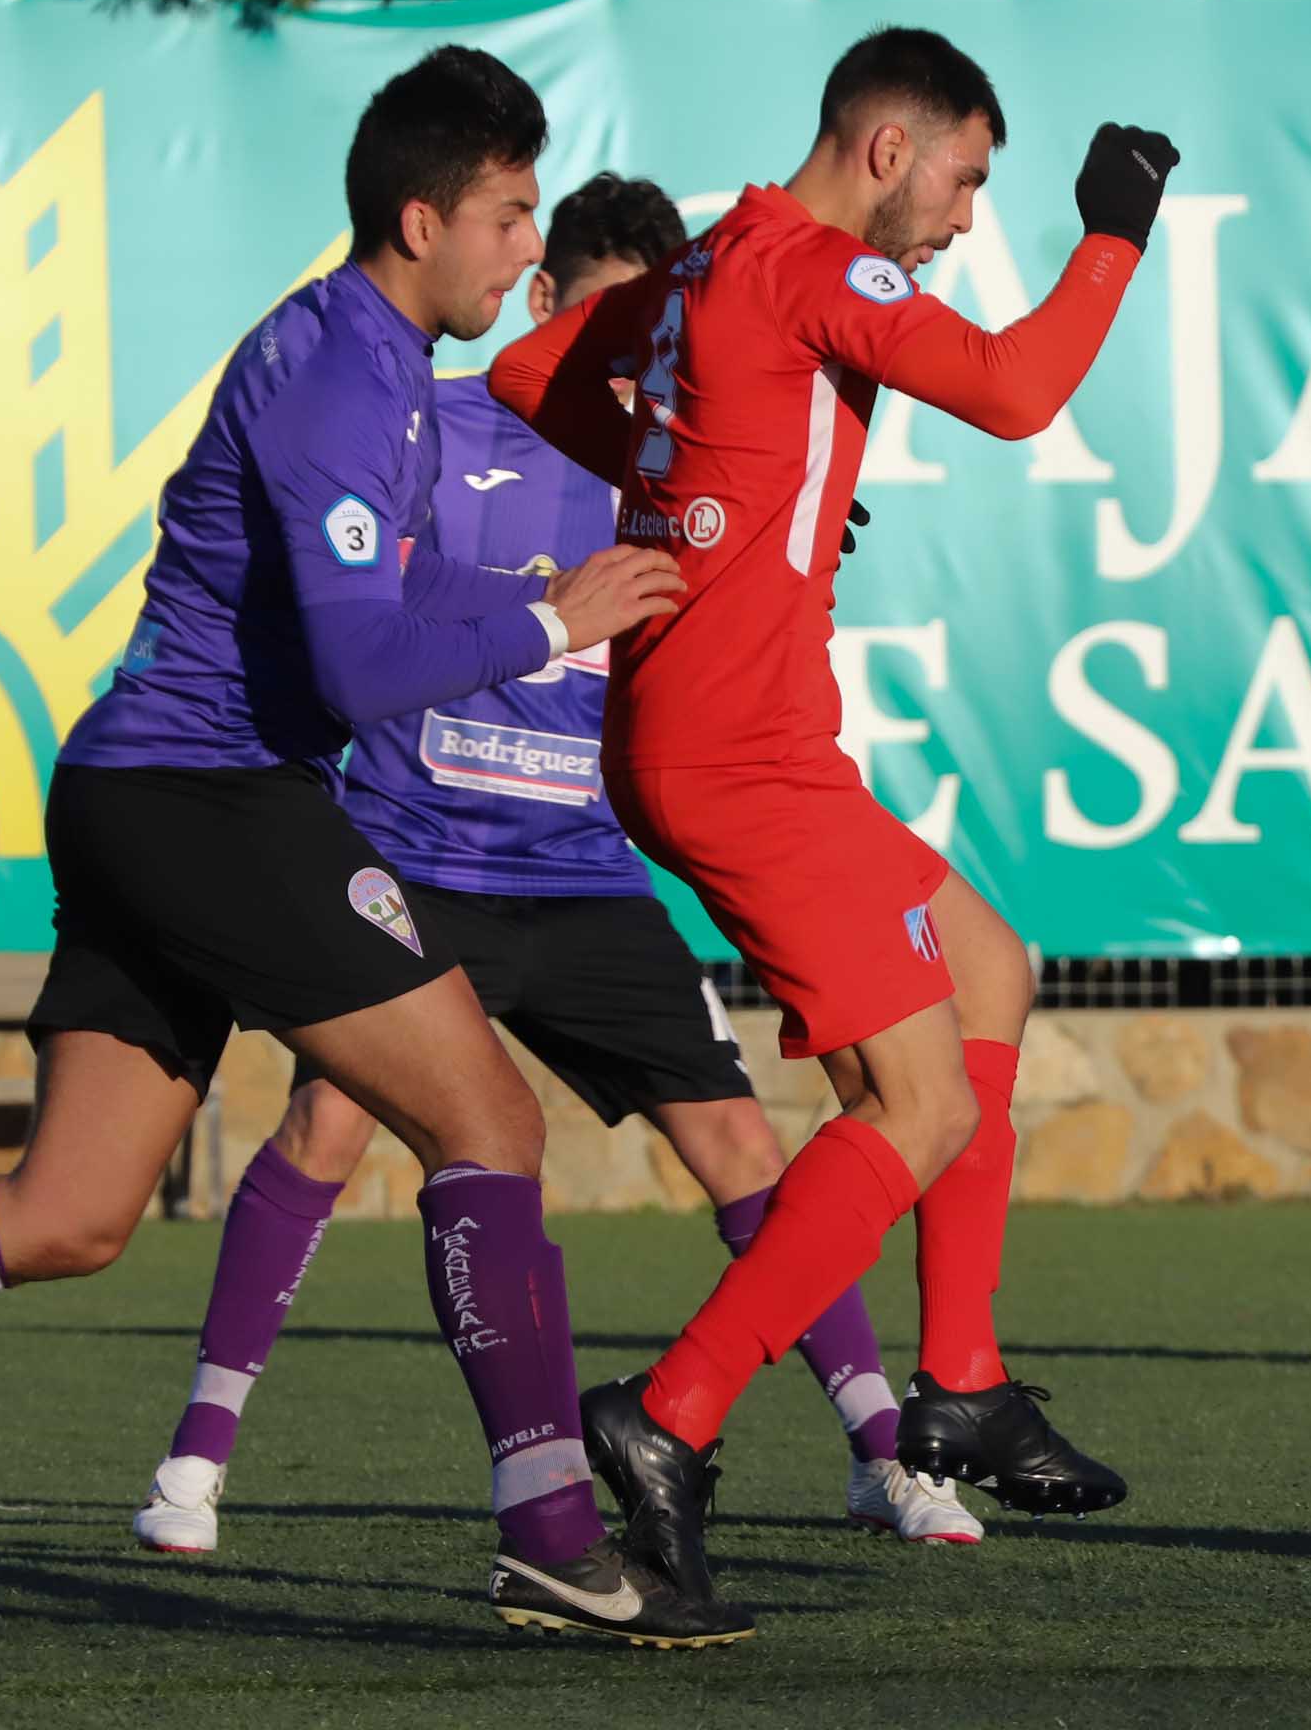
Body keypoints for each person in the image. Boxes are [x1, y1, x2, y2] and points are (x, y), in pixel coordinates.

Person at [0, 48, 747, 1649]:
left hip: (148, 795)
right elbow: (353, 671)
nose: (532, 250)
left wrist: (586, 592)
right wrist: (550, 615)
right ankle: (548, 1535)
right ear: (419, 218)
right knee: (490, 1119)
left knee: (70, 1214)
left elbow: (390, 614)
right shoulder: (341, 374)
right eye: (513, 214)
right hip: (208, 799)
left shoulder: (378, 364)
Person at [129, 172, 980, 1558]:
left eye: (656, 341)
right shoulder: (437, 429)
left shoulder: (700, 462)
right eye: (602, 325)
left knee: (742, 1145)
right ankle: (195, 1459)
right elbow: (361, 592)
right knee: (325, 1134)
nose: (636, 367)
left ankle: (886, 1452)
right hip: (420, 864)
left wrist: (790, 532)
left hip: (586, 876)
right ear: (544, 305)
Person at [490, 25, 1176, 1609]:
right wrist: (1113, 234)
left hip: (718, 736)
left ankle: (964, 1379)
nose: (961, 219)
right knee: (919, 1112)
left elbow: (537, 370)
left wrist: (708, 473)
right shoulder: (805, 265)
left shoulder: (721, 254)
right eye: (964, 179)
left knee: (991, 969)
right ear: (887, 148)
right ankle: (670, 1417)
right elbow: (1012, 391)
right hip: (742, 753)